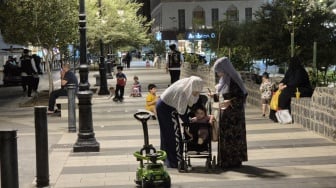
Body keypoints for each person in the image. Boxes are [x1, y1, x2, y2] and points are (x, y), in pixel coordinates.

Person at [156, 76, 203, 168]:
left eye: (198, 92)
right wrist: (189, 122)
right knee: (173, 135)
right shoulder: (182, 91)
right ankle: (174, 161)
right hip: (166, 109)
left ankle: (166, 158)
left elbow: (189, 105)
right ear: (191, 88)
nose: (196, 94)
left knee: (167, 133)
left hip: (164, 106)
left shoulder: (188, 84)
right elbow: (182, 112)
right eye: (195, 91)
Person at [210, 57, 248, 169]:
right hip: (225, 114)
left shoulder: (234, 80)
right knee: (225, 137)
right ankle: (225, 161)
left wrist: (230, 102)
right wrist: (214, 96)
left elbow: (242, 96)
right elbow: (223, 95)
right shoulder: (224, 80)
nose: (218, 74)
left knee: (234, 138)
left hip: (235, 115)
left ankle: (235, 161)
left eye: (219, 71)